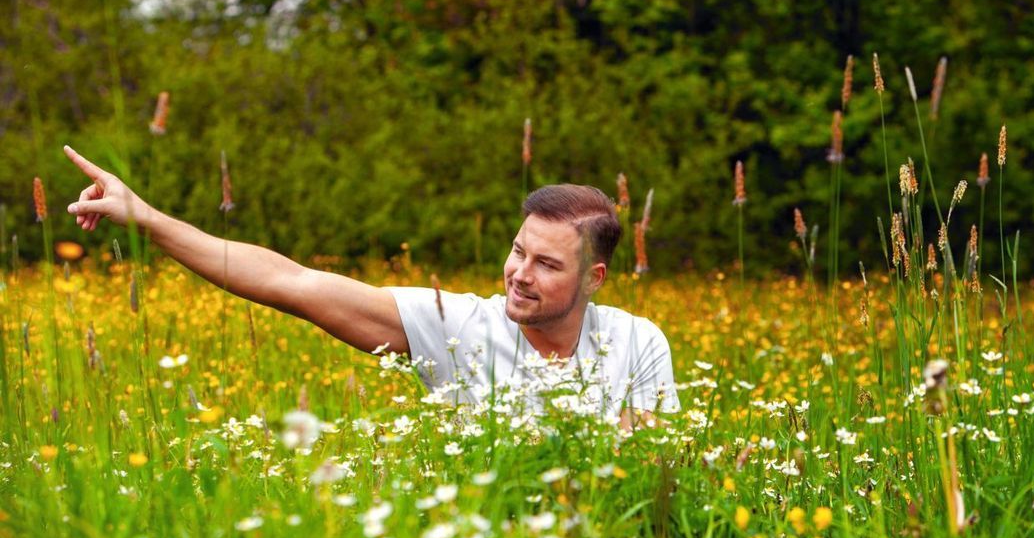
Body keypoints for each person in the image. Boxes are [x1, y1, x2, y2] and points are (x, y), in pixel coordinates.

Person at [63, 145, 679, 429]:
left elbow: (649, 466)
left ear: (593, 278)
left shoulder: (636, 342)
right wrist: (144, 215)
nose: (519, 273)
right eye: (518, 251)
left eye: (546, 264)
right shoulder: (458, 327)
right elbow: (290, 282)